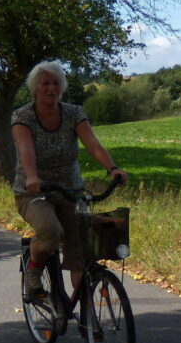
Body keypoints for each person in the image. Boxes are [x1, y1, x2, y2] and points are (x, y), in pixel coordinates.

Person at [11, 60, 129, 299]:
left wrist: (112, 168)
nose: (51, 88)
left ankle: (86, 312)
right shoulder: (23, 116)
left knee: (81, 248)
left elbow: (93, 145)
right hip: (34, 191)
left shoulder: (73, 113)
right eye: (45, 83)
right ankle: (33, 272)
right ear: (35, 87)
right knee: (51, 231)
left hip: (71, 190)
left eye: (56, 83)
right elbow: (26, 150)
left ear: (62, 87)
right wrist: (33, 177)